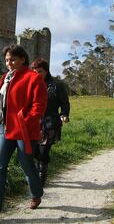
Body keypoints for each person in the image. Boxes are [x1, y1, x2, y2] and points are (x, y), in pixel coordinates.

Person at [0, 45, 47, 219]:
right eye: (7, 60)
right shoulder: (5, 78)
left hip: (24, 130)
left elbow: (39, 105)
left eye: (13, 59)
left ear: (23, 59)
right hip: (5, 128)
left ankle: (36, 194)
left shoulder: (34, 78)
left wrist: (26, 120)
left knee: (27, 165)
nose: (9, 63)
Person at [31, 58, 70, 186]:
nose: (37, 74)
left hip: (50, 122)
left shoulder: (57, 85)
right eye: (35, 71)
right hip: (33, 122)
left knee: (43, 151)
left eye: (40, 72)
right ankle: (36, 171)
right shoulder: (31, 84)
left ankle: (41, 178)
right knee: (33, 151)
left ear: (46, 71)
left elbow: (65, 102)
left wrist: (64, 114)